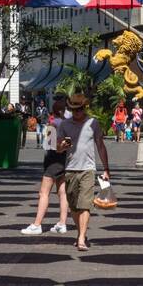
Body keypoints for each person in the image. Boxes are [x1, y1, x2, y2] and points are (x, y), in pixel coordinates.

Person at [60, 91, 110, 252]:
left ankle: (82, 237)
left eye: (80, 109)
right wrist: (62, 146)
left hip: (88, 169)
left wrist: (106, 169)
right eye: (74, 110)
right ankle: (80, 233)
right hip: (70, 169)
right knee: (74, 206)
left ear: (85, 108)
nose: (77, 112)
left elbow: (100, 146)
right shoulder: (64, 125)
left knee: (85, 205)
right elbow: (56, 147)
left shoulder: (93, 123)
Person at [22, 93, 70, 236]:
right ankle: (62, 223)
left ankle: (37, 224)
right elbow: (69, 142)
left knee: (43, 193)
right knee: (62, 192)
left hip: (52, 161)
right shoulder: (68, 124)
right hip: (64, 161)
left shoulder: (53, 124)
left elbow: (49, 144)